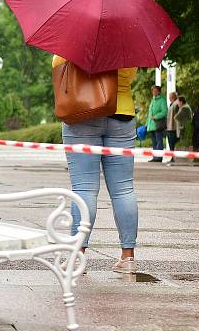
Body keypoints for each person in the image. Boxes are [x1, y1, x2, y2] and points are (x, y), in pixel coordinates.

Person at [54, 56, 139, 274]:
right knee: (124, 189)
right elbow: (131, 74)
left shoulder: (76, 33)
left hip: (83, 109)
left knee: (84, 188)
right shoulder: (125, 41)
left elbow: (57, 64)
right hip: (121, 114)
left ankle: (77, 256)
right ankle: (128, 258)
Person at [146, 85, 167, 162]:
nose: (153, 92)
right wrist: (147, 124)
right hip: (151, 125)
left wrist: (156, 116)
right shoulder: (153, 100)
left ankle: (159, 157)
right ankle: (155, 157)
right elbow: (150, 113)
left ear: (159, 92)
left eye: (155, 91)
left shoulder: (162, 100)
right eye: (152, 91)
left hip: (158, 125)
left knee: (159, 141)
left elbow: (164, 112)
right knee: (154, 142)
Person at [165, 91, 179, 162]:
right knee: (171, 143)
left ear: (173, 97)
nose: (169, 98)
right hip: (170, 127)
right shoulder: (172, 104)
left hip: (173, 127)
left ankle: (173, 158)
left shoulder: (176, 104)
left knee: (172, 143)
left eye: (170, 97)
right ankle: (172, 157)